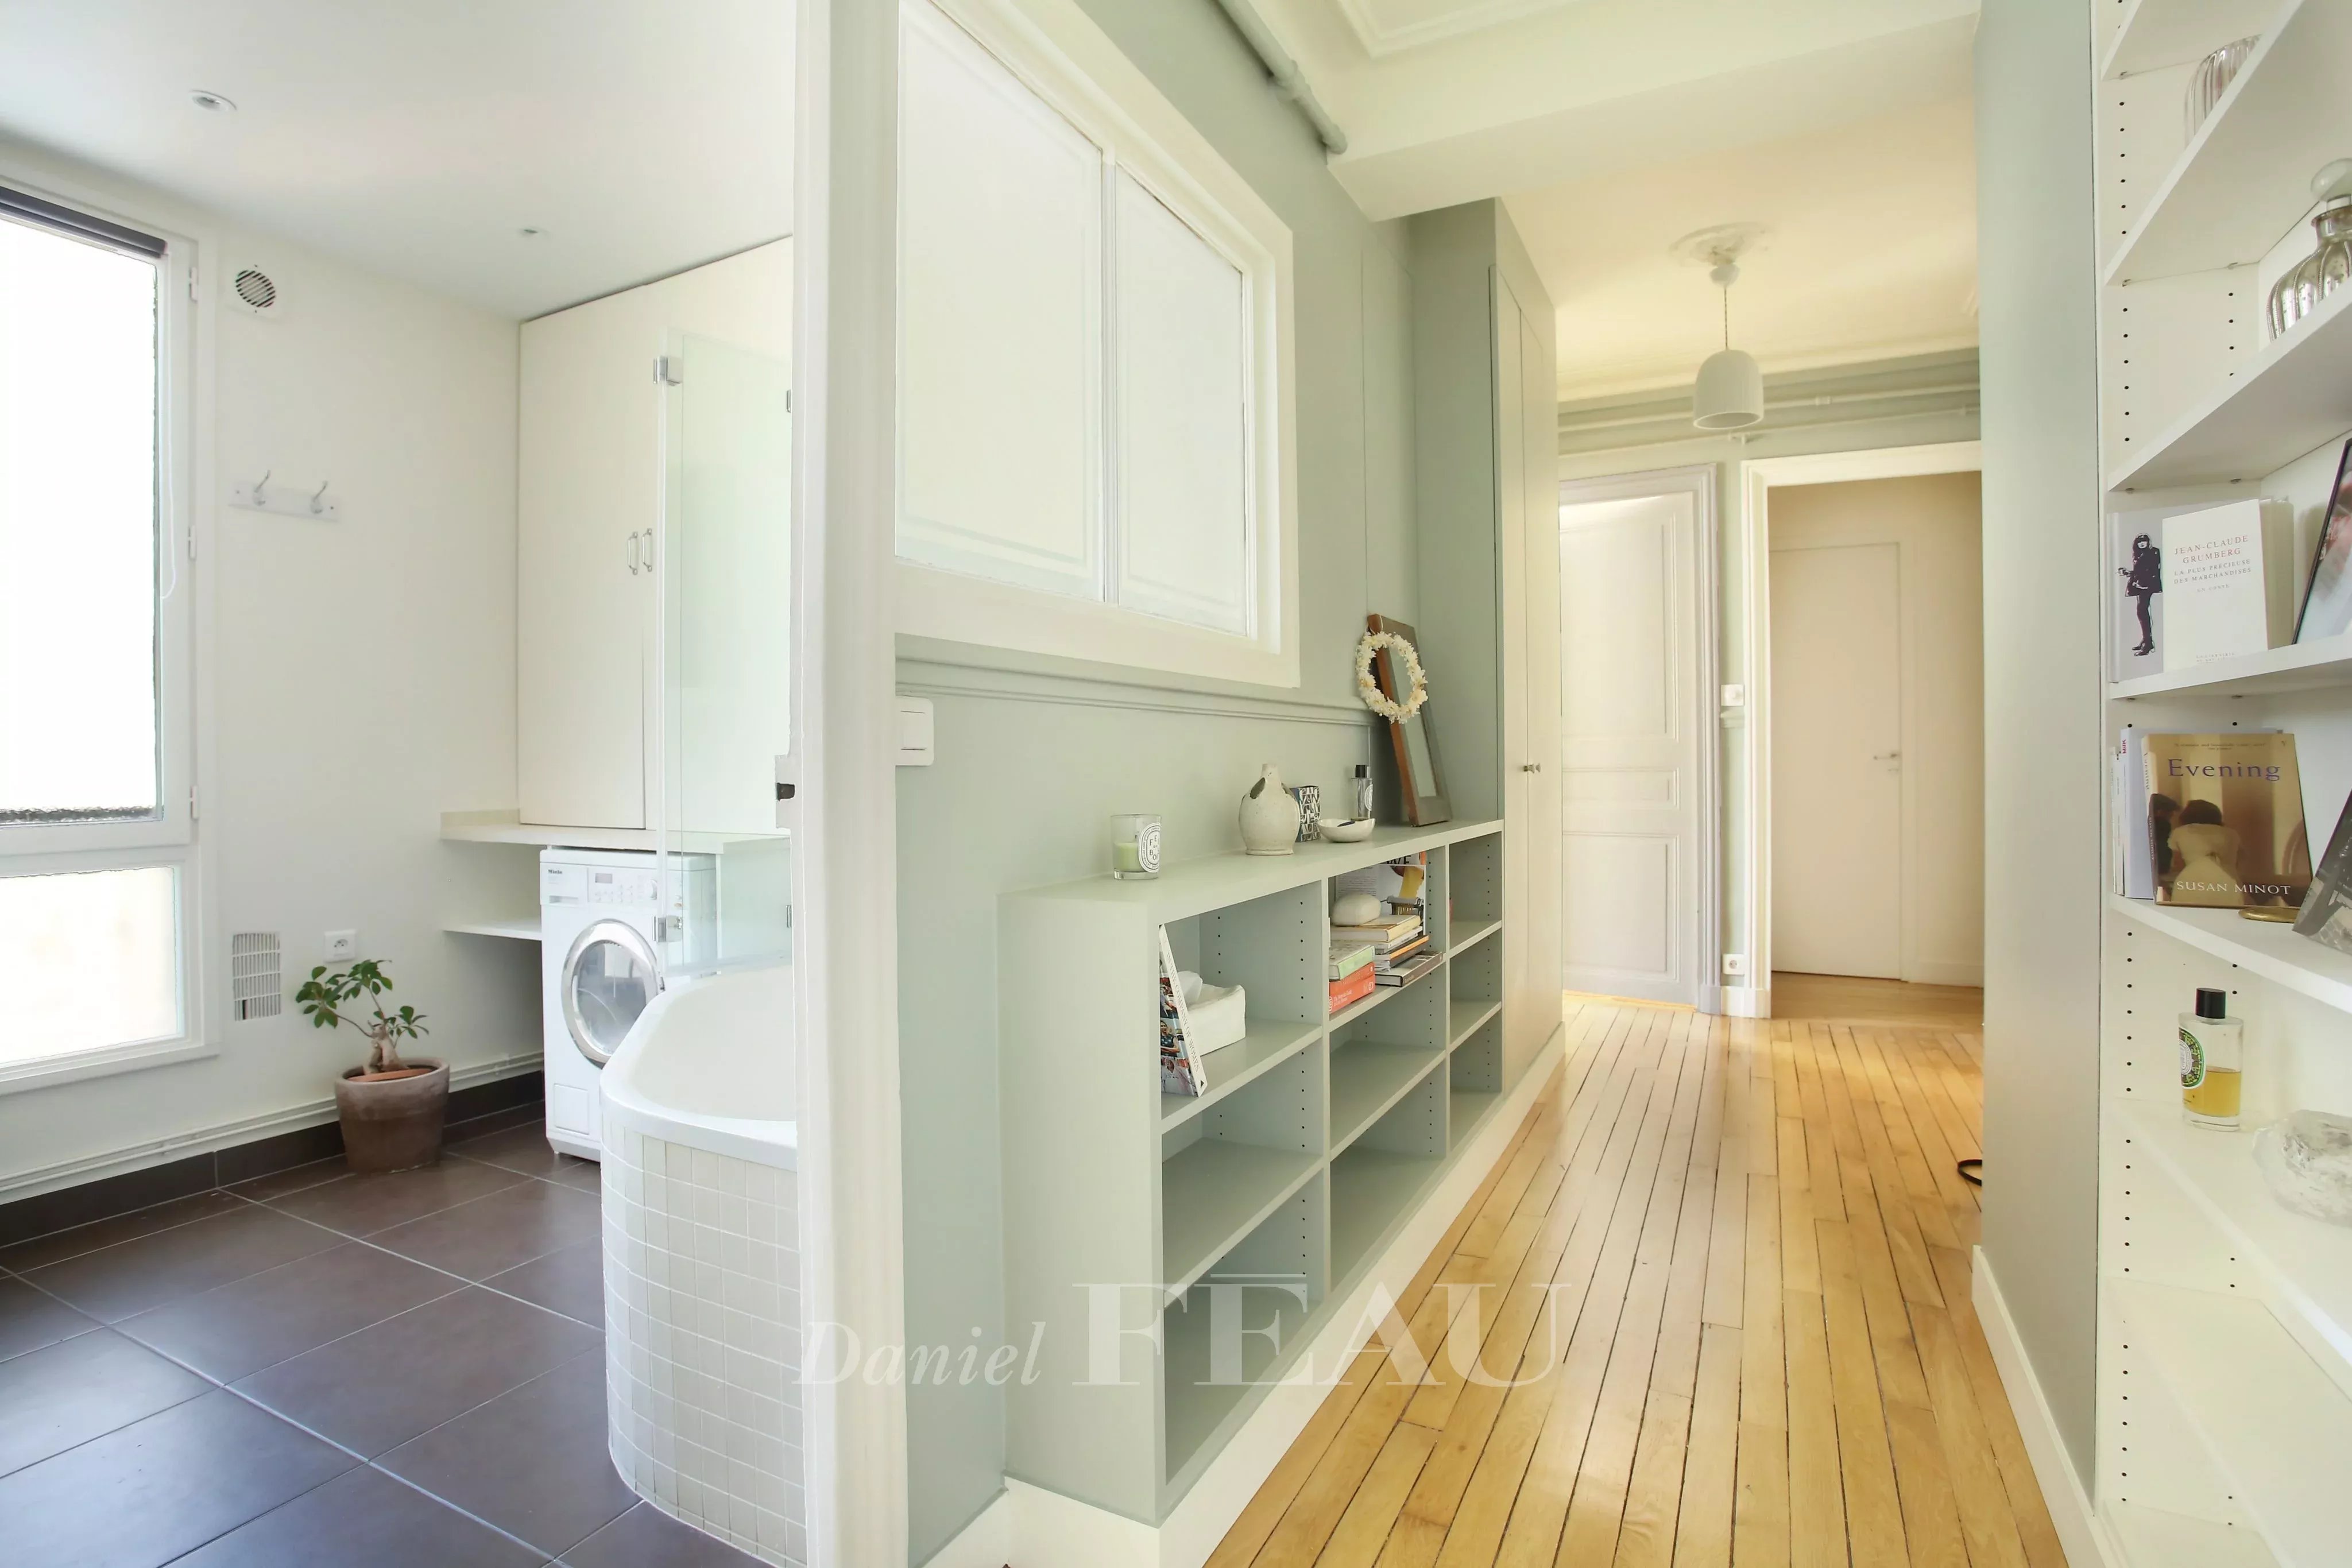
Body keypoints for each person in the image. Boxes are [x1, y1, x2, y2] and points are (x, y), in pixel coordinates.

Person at [2167, 799, 2243, 907]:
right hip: (2229, 881)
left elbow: (2178, 864)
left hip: (2192, 881)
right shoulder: (2231, 834)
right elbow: (2237, 862)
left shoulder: (2180, 832)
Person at [2120, 532, 2161, 657]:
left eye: (2144, 541)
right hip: (2140, 585)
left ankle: (2148, 643)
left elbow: (2153, 570)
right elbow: (2140, 570)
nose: (2142, 543)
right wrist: (2130, 573)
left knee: (2142, 611)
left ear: (2149, 542)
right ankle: (2146, 640)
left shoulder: (2154, 552)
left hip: (2147, 585)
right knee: (2141, 612)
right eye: (2139, 541)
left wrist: (2143, 583)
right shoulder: (2138, 554)